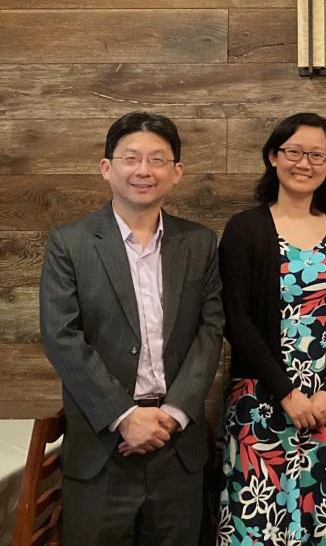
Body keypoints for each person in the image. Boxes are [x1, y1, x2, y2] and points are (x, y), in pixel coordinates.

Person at [40, 111, 224, 545]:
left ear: (176, 172)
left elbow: (210, 331)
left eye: (158, 159)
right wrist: (124, 417)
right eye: (131, 158)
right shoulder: (71, 243)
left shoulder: (199, 243)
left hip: (177, 447)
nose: (144, 170)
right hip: (103, 450)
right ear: (107, 168)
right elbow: (62, 337)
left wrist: (173, 413)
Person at [215, 112, 326, 545]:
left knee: (324, 518)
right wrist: (286, 391)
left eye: (318, 154)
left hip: (325, 403)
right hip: (260, 401)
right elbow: (235, 317)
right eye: (294, 151)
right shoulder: (245, 229)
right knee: (259, 521)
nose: (305, 163)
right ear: (273, 157)